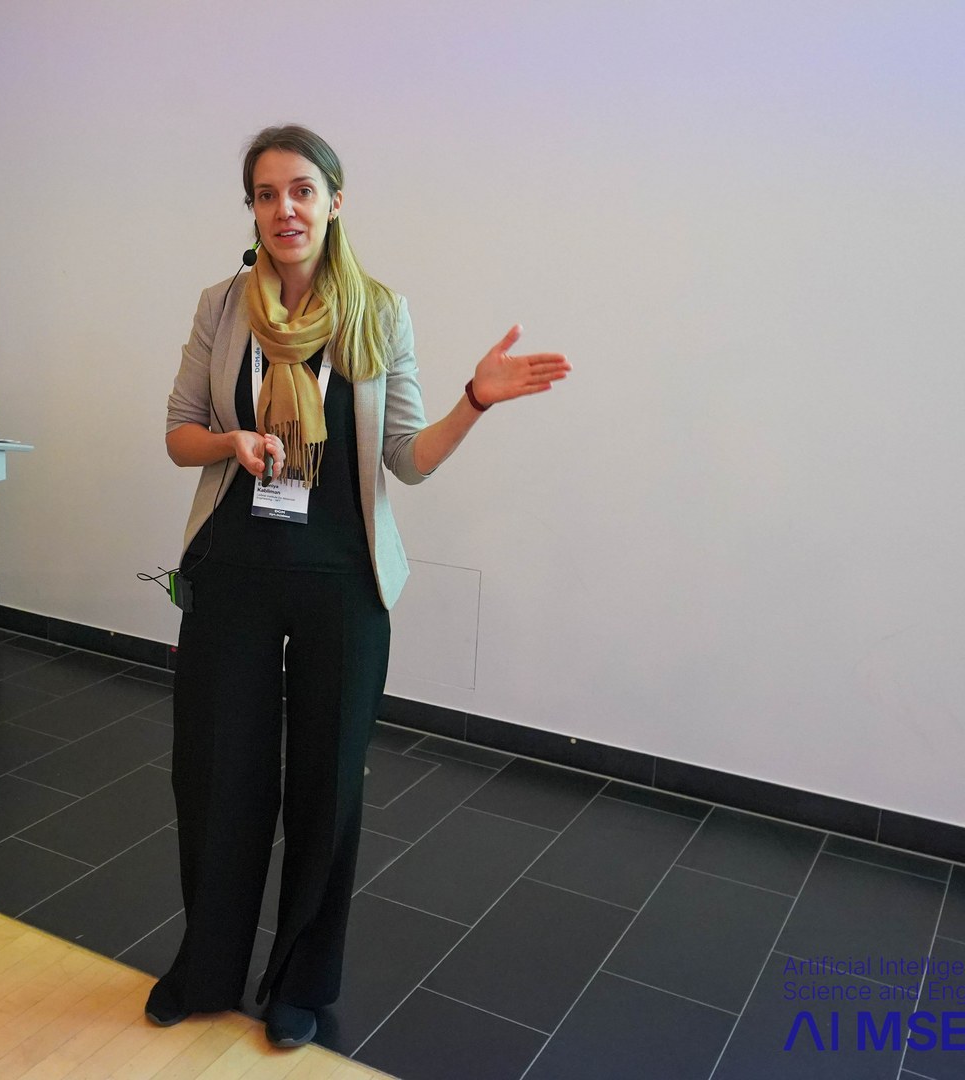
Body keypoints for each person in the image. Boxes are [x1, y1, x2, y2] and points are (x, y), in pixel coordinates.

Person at [153, 124, 571, 1048]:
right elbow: (180, 432)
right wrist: (230, 442)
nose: (285, 209)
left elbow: (407, 459)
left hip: (343, 580)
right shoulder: (222, 307)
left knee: (327, 785)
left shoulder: (378, 312)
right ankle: (206, 967)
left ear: (335, 201)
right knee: (217, 776)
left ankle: (301, 981)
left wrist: (475, 399)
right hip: (231, 571)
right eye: (267, 194)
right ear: (252, 209)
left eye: (302, 190)